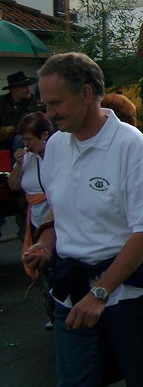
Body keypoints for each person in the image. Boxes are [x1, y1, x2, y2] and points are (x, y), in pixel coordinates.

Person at [23, 52, 143, 386]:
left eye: (55, 104)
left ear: (85, 94)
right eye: (45, 104)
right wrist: (44, 245)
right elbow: (58, 215)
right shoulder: (55, 147)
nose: (48, 114)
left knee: (142, 380)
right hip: (70, 293)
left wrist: (100, 292)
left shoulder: (132, 147)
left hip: (126, 297)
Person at [9, 112, 54, 328]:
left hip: (56, 221)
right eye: (23, 140)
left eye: (29, 139)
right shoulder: (27, 158)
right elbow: (14, 186)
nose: (25, 144)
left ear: (44, 135)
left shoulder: (57, 155)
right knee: (44, 267)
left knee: (59, 264)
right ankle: (52, 311)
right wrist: (17, 165)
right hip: (36, 220)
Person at [1, 71, 42, 154]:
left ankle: (16, 165)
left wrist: (10, 130)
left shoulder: (35, 104)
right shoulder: (2, 102)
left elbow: (30, 126)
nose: (29, 89)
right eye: (24, 87)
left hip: (21, 137)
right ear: (13, 89)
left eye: (29, 86)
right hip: (3, 140)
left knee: (19, 139)